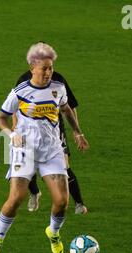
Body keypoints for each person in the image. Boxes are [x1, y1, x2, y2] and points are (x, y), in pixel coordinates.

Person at [0, 42, 89, 253]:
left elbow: (66, 109)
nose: (49, 72)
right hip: (25, 149)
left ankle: (53, 232)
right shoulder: (20, 92)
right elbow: (1, 118)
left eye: (51, 67)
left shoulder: (58, 88)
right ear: (32, 67)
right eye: (45, 68)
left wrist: (77, 132)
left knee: (62, 201)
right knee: (16, 198)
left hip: (52, 150)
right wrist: (12, 134)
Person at [13, 66, 88, 214]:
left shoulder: (58, 80)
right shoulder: (23, 81)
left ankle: (79, 203)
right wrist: (16, 131)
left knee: (64, 166)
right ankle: (34, 193)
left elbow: (70, 106)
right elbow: (15, 108)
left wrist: (76, 131)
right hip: (29, 131)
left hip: (54, 130)